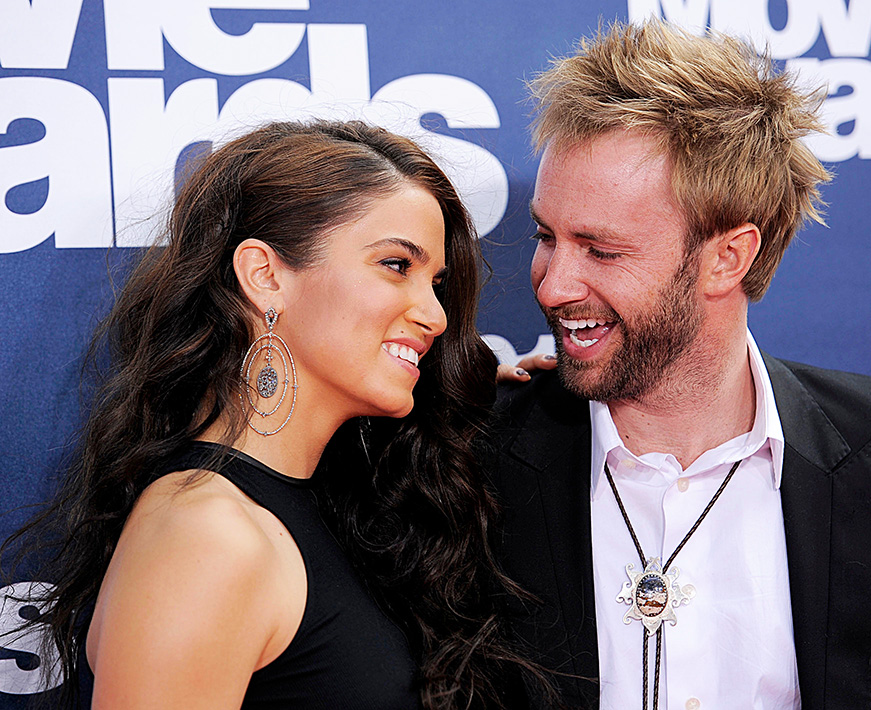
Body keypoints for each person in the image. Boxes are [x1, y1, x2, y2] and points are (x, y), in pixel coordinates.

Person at [486, 20, 871, 710]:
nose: (551, 285)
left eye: (601, 251)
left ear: (728, 257)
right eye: (548, 237)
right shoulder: (474, 453)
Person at [3, 119, 537, 709]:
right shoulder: (206, 535)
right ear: (265, 276)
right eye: (394, 265)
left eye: (435, 282)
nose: (435, 315)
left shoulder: (332, 506)